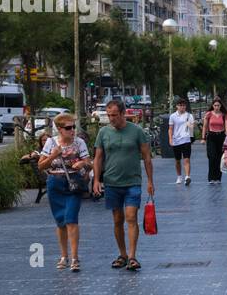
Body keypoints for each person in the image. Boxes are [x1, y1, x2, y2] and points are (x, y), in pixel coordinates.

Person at [93, 99, 155, 271]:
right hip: (112, 182)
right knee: (117, 219)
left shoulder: (137, 131)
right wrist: (96, 180)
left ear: (122, 113)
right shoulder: (103, 133)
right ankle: (122, 254)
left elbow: (147, 158)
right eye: (109, 115)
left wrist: (150, 181)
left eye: (114, 115)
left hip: (132, 181)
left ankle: (133, 256)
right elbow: (98, 158)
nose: (111, 118)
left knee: (131, 217)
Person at [38, 113, 91, 270]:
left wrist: (82, 163)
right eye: (68, 128)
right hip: (55, 183)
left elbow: (89, 164)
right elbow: (41, 166)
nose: (72, 130)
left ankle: (75, 258)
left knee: (71, 219)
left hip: (73, 183)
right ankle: (63, 256)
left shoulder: (79, 142)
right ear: (60, 129)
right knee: (60, 221)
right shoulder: (51, 142)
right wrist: (53, 155)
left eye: (73, 127)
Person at [203, 97, 227, 183]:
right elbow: (205, 126)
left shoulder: (224, 115)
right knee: (212, 157)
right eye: (215, 105)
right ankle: (211, 177)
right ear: (212, 106)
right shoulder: (208, 114)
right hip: (211, 136)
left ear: (220, 106)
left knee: (219, 157)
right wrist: (203, 138)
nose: (216, 107)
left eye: (218, 105)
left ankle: (218, 178)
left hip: (221, 136)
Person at [168, 97, 194, 186]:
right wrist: (170, 139)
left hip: (186, 139)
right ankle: (179, 176)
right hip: (176, 140)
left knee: (186, 159)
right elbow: (170, 129)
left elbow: (192, 127)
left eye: (183, 105)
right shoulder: (173, 116)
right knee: (177, 160)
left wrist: (189, 125)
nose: (182, 107)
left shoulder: (189, 115)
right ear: (177, 106)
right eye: (180, 105)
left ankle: (187, 176)